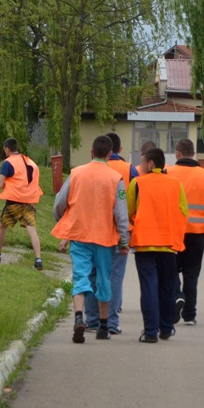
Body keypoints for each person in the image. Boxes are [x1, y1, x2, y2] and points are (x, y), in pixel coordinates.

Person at [51, 135, 130, 343]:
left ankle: (79, 317)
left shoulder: (76, 174)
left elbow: (60, 203)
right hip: (105, 239)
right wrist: (124, 241)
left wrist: (63, 221)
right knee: (104, 280)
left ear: (91, 152)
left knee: (81, 277)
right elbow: (121, 215)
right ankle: (103, 327)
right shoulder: (115, 179)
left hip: (79, 236)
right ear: (110, 154)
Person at [127, 147, 188, 343]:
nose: (141, 166)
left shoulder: (137, 183)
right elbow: (183, 211)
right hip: (169, 245)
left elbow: (130, 211)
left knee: (149, 288)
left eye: (143, 162)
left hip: (145, 244)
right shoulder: (176, 185)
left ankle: (150, 332)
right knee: (166, 288)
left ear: (151, 164)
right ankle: (167, 327)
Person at [83, 133, 139, 333]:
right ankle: (112, 322)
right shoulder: (128, 170)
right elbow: (133, 200)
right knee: (114, 276)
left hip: (90, 231)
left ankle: (92, 319)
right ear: (118, 150)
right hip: (116, 232)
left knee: (91, 274)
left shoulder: (84, 172)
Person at [166, 139, 204, 325]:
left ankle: (176, 297)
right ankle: (189, 315)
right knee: (191, 274)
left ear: (178, 153)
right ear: (193, 153)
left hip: (172, 233)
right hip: (196, 234)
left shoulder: (168, 173)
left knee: (170, 271)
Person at [0, 138, 44, 270]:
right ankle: (38, 259)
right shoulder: (31, 162)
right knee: (32, 229)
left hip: (14, 201)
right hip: (29, 201)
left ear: (7, 149)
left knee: (2, 226)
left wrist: (7, 184)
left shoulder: (8, 163)